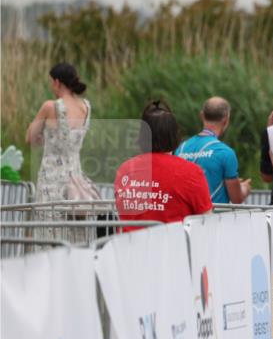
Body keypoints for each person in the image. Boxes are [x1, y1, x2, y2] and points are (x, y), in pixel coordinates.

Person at [114, 100, 212, 231]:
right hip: (175, 249)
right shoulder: (191, 172)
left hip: (131, 248)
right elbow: (207, 222)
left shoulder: (125, 169)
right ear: (174, 134)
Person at [27, 62, 100, 204]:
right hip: (75, 180)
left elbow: (30, 138)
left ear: (57, 82)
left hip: (52, 179)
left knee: (50, 222)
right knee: (73, 221)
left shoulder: (50, 106)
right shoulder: (86, 107)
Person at [175, 97, 251, 204]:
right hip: (214, 218)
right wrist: (244, 188)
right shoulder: (226, 153)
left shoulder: (181, 149)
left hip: (186, 218)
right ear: (226, 120)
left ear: (202, 116)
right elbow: (236, 199)